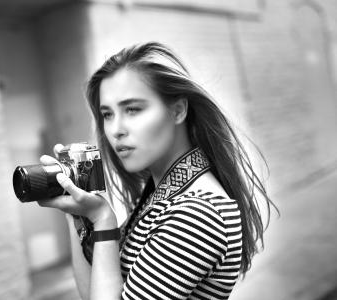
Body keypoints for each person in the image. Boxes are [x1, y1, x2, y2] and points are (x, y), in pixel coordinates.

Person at [38, 42, 277, 300]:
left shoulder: (196, 214)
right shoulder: (159, 197)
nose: (116, 129)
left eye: (132, 109)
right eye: (107, 114)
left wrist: (103, 219)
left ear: (177, 110)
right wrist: (75, 216)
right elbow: (93, 293)